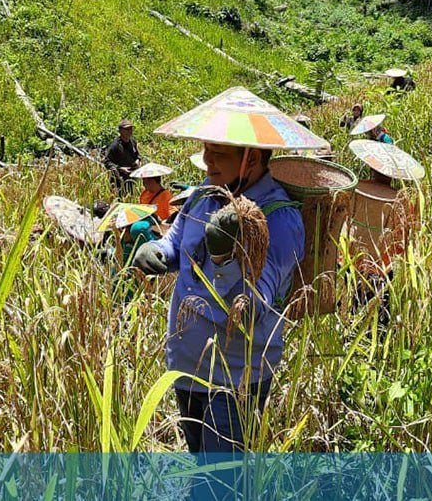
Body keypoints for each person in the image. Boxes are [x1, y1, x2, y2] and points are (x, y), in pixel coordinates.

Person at [132, 87, 325, 453]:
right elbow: (177, 240)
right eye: (207, 149)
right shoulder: (205, 193)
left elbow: (254, 309)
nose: (207, 161)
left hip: (234, 377)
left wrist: (223, 263)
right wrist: (156, 249)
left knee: (220, 482)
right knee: (199, 462)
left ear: (251, 158)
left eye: (219, 153)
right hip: (187, 366)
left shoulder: (279, 219)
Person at [347, 141, 424, 326]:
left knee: (349, 305)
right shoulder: (400, 198)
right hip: (382, 266)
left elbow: (344, 219)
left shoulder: (356, 188)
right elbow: (406, 234)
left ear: (372, 168)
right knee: (380, 311)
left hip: (353, 258)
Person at [105, 119, 142, 197]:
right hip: (119, 179)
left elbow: (137, 155)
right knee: (120, 198)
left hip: (131, 177)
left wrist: (137, 160)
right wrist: (120, 168)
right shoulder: (115, 146)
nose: (130, 131)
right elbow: (107, 162)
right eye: (127, 129)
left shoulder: (133, 142)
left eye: (131, 128)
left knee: (131, 197)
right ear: (121, 131)